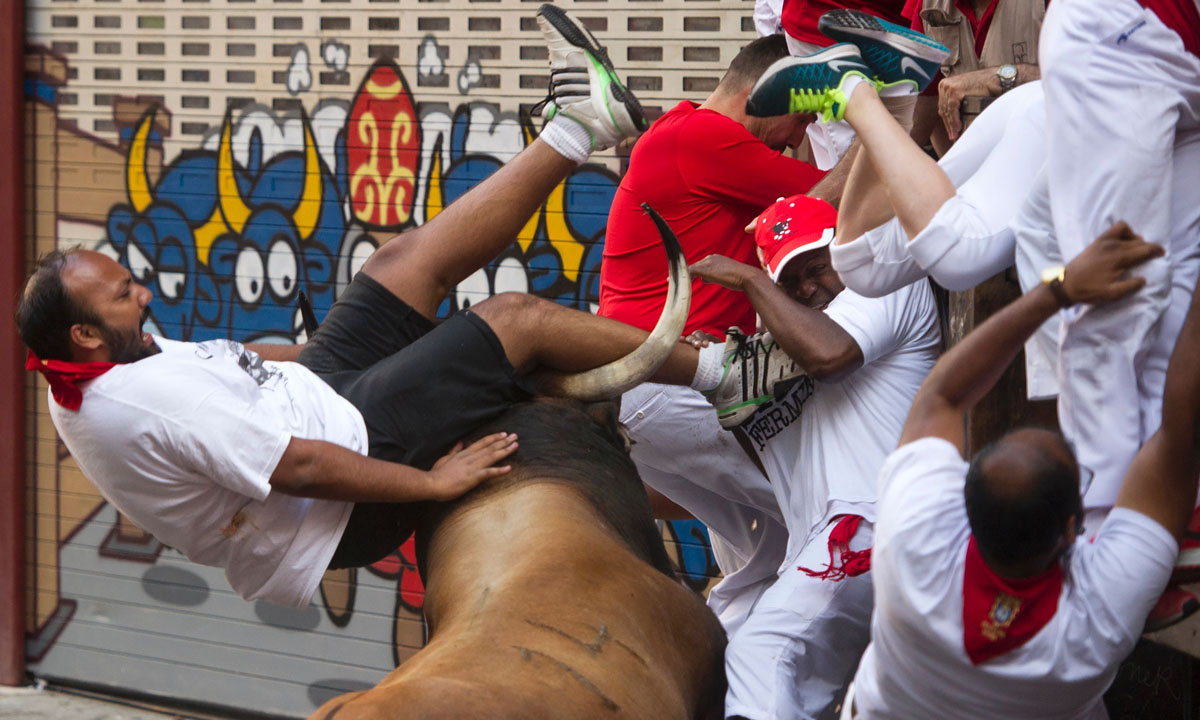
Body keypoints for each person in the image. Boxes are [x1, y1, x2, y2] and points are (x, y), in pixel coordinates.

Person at [17, 5, 732, 609]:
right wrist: (431, 482)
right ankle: (727, 374)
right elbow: (296, 469)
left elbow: (233, 365)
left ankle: (581, 122)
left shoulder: (102, 361)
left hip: (320, 396)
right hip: (338, 493)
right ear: (83, 333)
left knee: (395, 264)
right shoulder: (145, 400)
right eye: (121, 294)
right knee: (517, 321)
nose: (142, 292)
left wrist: (350, 343)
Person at [843, 221, 1193, 719]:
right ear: (1075, 529)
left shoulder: (911, 542)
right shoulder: (1096, 619)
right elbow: (1179, 435)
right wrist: (1060, 288)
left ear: (963, 505)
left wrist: (1060, 288)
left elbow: (943, 396)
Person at [603, 32, 831, 636]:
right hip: (679, 384)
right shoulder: (701, 138)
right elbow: (832, 198)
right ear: (767, 91)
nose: (799, 134)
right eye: (801, 115)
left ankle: (728, 675)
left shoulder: (680, 135)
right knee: (827, 522)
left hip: (648, 395)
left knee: (768, 549)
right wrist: (892, 120)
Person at [687, 193, 940, 719]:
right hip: (825, 540)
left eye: (816, 266)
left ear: (842, 250)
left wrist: (751, 282)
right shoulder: (784, 338)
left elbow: (831, 356)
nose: (807, 288)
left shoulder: (883, 283)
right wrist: (728, 396)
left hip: (875, 519)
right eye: (788, 280)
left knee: (762, 651)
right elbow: (778, 464)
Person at [903, 0, 1046, 154]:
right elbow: (921, 106)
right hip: (972, 164)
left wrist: (997, 78)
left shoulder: (1057, 6)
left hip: (1044, 160)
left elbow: (1073, 80)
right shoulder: (928, 5)